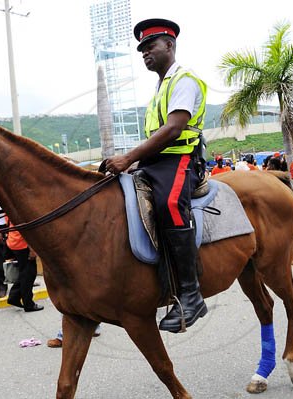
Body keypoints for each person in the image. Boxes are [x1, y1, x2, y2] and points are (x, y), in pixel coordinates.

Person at [104, 18, 207, 332]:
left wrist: (129, 156)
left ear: (170, 46)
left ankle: (191, 294)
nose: (145, 53)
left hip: (180, 160)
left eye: (151, 46)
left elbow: (174, 128)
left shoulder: (184, 80)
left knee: (169, 203)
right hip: (155, 162)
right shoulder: (160, 88)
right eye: (142, 50)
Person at [5, 219, 44, 312]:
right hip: (22, 245)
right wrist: (32, 249)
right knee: (28, 274)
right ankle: (28, 304)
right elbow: (26, 230)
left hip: (14, 241)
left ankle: (14, 296)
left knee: (25, 272)